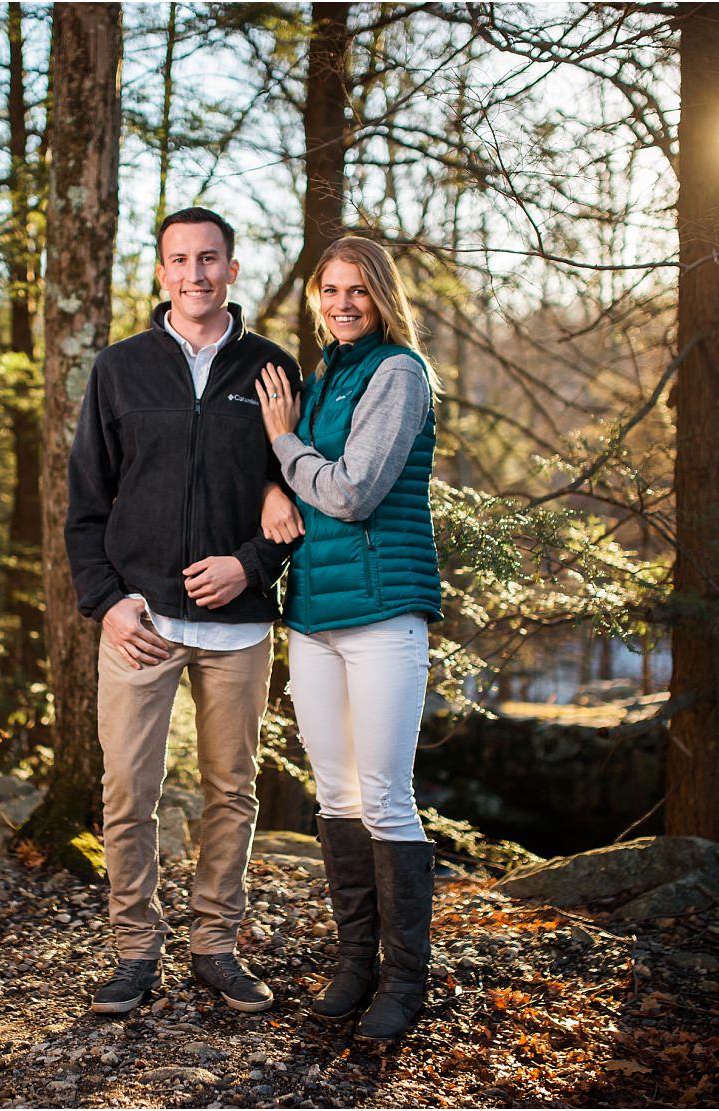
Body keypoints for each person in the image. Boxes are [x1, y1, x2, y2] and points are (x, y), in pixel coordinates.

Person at [66, 206, 304, 1016]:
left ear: (233, 270)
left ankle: (214, 946)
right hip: (141, 624)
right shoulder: (120, 369)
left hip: (238, 629)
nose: (194, 273)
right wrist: (105, 603)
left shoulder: (272, 371)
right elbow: (84, 502)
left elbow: (301, 495)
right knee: (127, 790)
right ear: (161, 270)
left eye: (209, 259)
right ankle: (134, 950)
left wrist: (251, 563)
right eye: (179, 259)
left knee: (229, 789)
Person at [255, 235, 443, 1042]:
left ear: (381, 296)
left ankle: (404, 981)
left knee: (387, 794)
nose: (340, 303)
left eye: (356, 290)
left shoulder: (398, 371)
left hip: (382, 611)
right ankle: (355, 963)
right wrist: (275, 477)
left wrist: (280, 444)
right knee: (335, 795)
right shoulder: (326, 373)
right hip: (312, 617)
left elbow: (354, 491)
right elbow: (301, 490)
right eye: (329, 290)